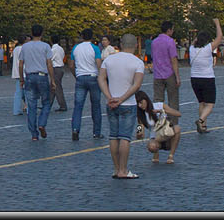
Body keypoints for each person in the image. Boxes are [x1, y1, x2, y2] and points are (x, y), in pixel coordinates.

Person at [100, 33, 146, 180]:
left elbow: (101, 79)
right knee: (125, 138)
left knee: (113, 136)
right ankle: (123, 170)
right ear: (135, 45)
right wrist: (121, 99)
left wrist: (109, 97)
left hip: (111, 103)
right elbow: (136, 85)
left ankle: (116, 169)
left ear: (120, 44)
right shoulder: (138, 62)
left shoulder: (109, 59)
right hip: (128, 104)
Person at [17, 24, 58, 140]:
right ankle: (42, 123)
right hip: (42, 76)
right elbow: (49, 64)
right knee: (46, 102)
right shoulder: (45, 46)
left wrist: (21, 78)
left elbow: (20, 64)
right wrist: (53, 80)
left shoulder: (25, 47)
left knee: (32, 106)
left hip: (29, 77)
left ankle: (34, 134)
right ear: (41, 33)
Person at [188, 18, 223, 132]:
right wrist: (217, 24)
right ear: (207, 40)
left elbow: (194, 42)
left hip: (194, 79)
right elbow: (219, 38)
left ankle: (203, 127)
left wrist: (197, 36)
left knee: (201, 103)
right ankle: (201, 120)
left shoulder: (191, 48)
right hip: (207, 78)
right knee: (210, 104)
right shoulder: (208, 48)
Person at [71, 27, 103, 140]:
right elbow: (98, 63)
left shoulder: (75, 48)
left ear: (82, 36)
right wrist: (101, 76)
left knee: (78, 106)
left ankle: (75, 129)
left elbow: (71, 64)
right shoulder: (94, 48)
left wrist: (76, 75)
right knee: (96, 106)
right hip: (93, 77)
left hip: (80, 77)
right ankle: (96, 132)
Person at [135, 90, 182, 165]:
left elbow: (178, 114)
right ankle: (156, 153)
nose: (140, 105)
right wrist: (139, 133)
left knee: (177, 129)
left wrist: (161, 111)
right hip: (156, 138)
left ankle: (171, 156)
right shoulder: (141, 114)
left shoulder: (159, 105)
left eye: (141, 102)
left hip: (167, 134)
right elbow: (139, 127)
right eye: (137, 104)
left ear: (145, 99)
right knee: (151, 146)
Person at [150, 21, 180, 113]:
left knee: (158, 101)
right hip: (169, 73)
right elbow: (173, 60)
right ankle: (173, 122)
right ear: (169, 30)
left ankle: (159, 122)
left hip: (158, 74)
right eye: (172, 30)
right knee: (173, 100)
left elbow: (153, 56)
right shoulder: (170, 41)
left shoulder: (154, 42)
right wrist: (177, 76)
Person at [49, 34, 68, 111]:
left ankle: (62, 105)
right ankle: (48, 104)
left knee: (57, 87)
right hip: (60, 68)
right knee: (52, 88)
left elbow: (49, 59)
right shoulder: (60, 48)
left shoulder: (53, 50)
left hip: (55, 68)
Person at [11, 35, 26, 116]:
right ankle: (29, 109)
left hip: (17, 73)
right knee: (28, 92)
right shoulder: (24, 49)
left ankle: (16, 110)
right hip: (24, 72)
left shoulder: (16, 49)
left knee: (18, 92)